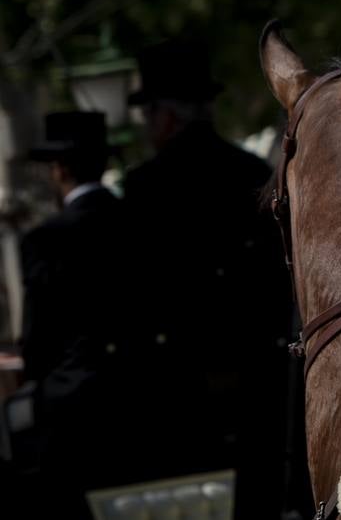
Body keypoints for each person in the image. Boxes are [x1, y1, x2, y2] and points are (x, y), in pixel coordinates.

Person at [120, 40, 293, 518]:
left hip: (176, 391)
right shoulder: (255, 174)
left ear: (166, 117)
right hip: (256, 380)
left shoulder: (144, 187)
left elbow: (136, 299)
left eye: (149, 115)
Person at [16, 111, 131, 517]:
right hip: (138, 397)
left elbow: (36, 338)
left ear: (60, 169)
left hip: (72, 407)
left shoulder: (45, 240)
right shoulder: (137, 222)